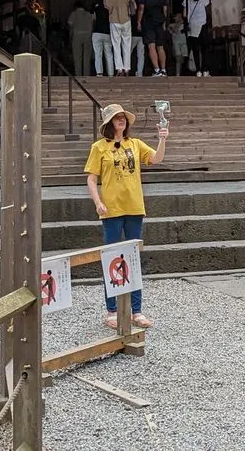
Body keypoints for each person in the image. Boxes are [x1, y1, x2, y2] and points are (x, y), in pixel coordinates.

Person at [85, 102, 167, 329]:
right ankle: (111, 310)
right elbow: (91, 178)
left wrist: (162, 139)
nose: (122, 120)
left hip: (134, 206)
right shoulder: (99, 147)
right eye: (117, 117)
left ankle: (136, 309)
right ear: (109, 123)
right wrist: (98, 202)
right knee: (111, 258)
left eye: (123, 117)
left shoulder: (136, 144)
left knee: (133, 259)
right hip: (111, 209)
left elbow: (156, 159)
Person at [103, 0, 137, 76]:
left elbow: (106, 5)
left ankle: (119, 68)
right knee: (127, 44)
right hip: (126, 21)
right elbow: (135, 7)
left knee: (116, 44)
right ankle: (127, 68)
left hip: (114, 21)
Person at [137, 0, 169, 77]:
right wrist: (164, 22)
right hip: (160, 21)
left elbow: (141, 8)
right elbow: (165, 9)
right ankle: (163, 70)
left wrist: (138, 21)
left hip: (148, 21)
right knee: (160, 46)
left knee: (151, 45)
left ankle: (156, 69)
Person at [184, 0, 211, 76]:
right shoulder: (203, 0)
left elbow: (184, 14)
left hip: (192, 27)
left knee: (195, 49)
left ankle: (198, 70)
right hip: (202, 25)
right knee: (205, 48)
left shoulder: (186, 0)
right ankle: (205, 70)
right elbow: (208, 5)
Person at [68, 0, 94, 77]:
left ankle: (78, 75)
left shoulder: (73, 14)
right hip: (88, 35)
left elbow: (70, 26)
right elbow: (92, 26)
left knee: (77, 57)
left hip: (77, 35)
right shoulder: (89, 14)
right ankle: (86, 74)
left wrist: (70, 37)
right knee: (87, 57)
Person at [91, 0, 113, 77]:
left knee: (98, 54)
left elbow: (93, 20)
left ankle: (99, 73)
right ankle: (111, 73)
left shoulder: (95, 9)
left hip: (97, 33)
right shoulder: (109, 10)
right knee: (109, 54)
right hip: (107, 33)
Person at [168, 11, 191, 76]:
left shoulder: (184, 25)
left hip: (183, 43)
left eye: (176, 17)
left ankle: (182, 72)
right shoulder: (172, 25)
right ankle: (177, 74)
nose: (175, 18)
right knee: (178, 58)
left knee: (183, 58)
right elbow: (170, 30)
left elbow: (189, 29)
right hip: (176, 43)